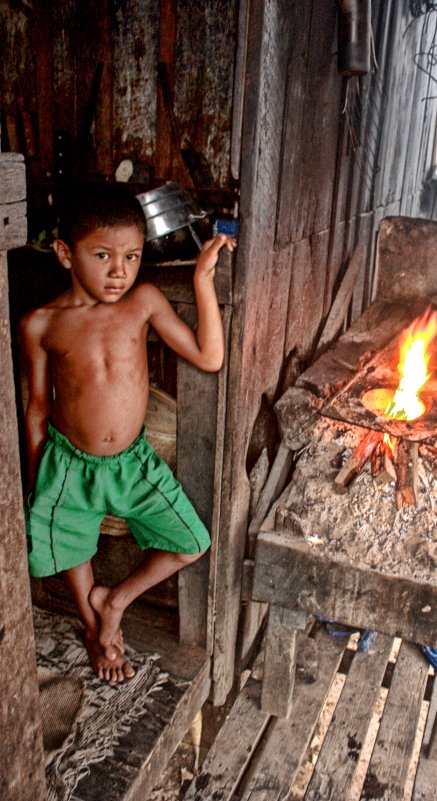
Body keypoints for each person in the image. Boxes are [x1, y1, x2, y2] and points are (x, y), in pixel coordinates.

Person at [19, 182, 235, 682]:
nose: (120, 271)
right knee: (71, 548)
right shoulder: (41, 323)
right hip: (68, 463)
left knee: (192, 541)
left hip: (134, 462)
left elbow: (210, 356)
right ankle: (98, 634)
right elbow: (36, 409)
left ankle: (116, 602)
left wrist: (203, 279)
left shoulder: (143, 302)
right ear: (64, 254)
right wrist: (38, 481)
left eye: (133, 257)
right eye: (102, 255)